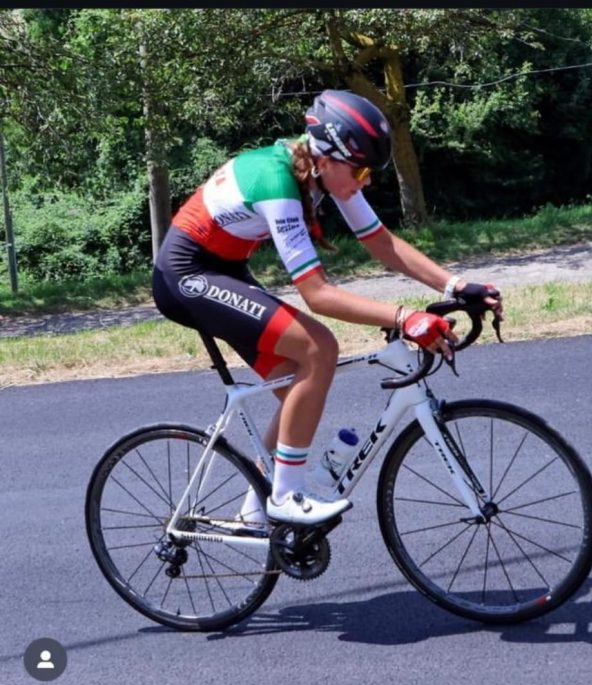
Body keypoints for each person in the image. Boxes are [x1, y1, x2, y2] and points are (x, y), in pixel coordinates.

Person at [152, 89, 503, 528]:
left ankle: (255, 512)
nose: (365, 181)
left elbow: (381, 243)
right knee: (319, 347)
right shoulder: (277, 182)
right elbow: (317, 295)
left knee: (296, 394)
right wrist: (404, 317)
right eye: (360, 170)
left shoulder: (320, 170)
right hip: (185, 277)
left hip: (224, 271)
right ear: (326, 157)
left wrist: (456, 285)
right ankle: (285, 496)